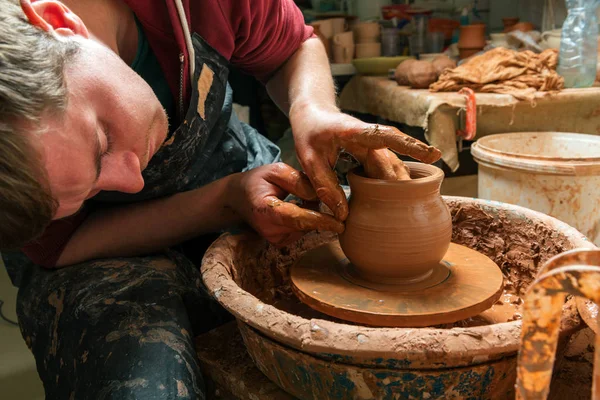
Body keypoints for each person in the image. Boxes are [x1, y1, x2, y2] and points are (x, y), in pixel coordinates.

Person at [0, 0, 441, 398]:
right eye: (90, 189)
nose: (132, 181)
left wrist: (312, 108)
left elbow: (291, 47)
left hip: (231, 167)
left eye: (102, 140)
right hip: (101, 250)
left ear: (59, 23)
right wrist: (225, 201)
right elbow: (61, 244)